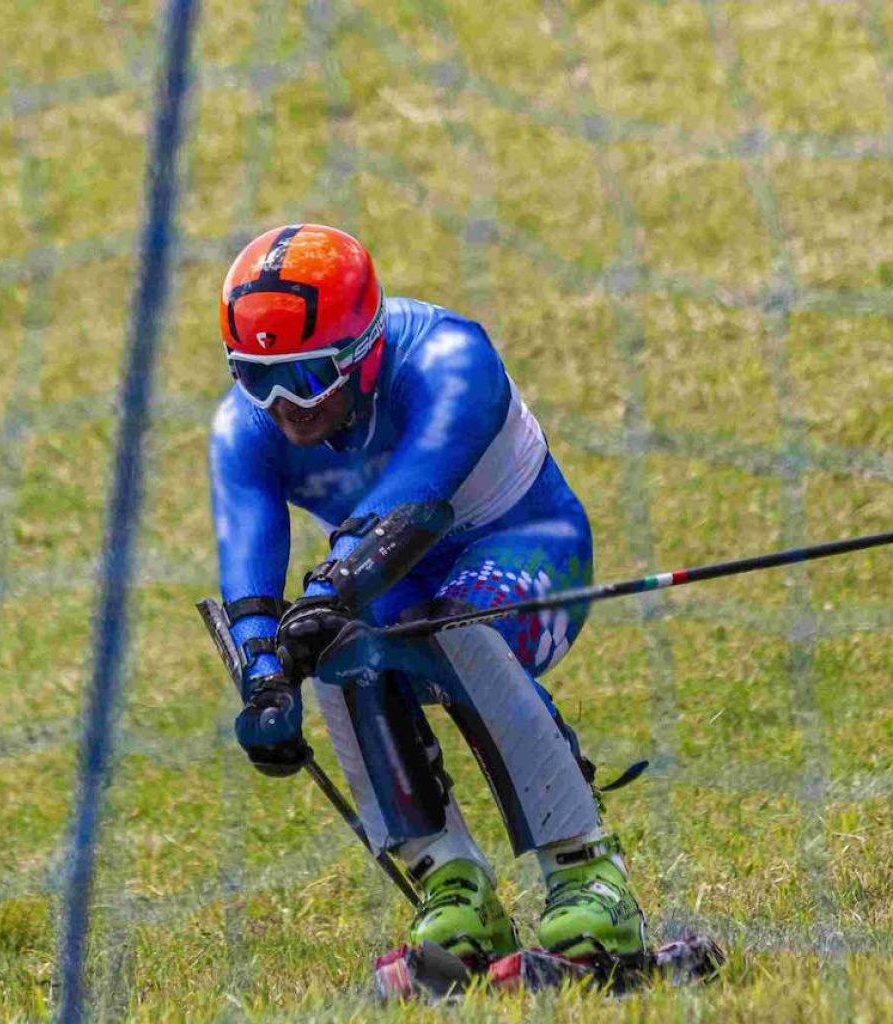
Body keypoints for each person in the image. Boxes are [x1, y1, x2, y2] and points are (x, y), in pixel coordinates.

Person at [209, 223, 645, 962]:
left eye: (310, 376)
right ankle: (450, 884)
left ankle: (587, 876)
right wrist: (266, 681)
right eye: (257, 378)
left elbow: (412, 504)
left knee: (457, 625)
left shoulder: (450, 357)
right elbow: (249, 565)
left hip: (526, 546)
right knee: (339, 651)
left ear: (366, 353)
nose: (285, 406)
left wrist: (326, 591)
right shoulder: (244, 430)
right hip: (386, 574)